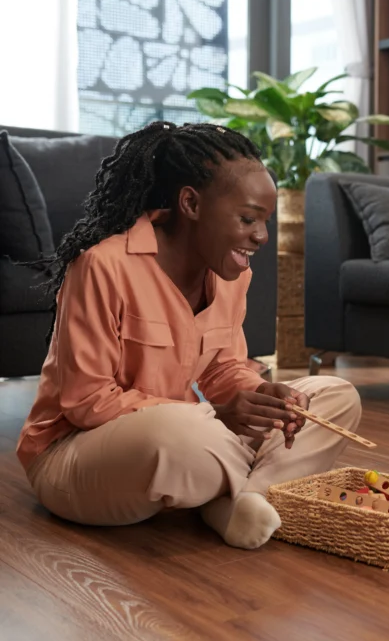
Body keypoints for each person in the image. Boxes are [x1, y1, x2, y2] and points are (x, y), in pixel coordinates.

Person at [17, 121, 361, 550]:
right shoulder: (101, 266)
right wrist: (213, 414)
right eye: (248, 218)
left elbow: (224, 368)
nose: (262, 236)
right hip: (77, 453)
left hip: (192, 434)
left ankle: (240, 500)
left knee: (335, 395)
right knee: (178, 437)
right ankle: (244, 489)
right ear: (191, 203)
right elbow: (87, 401)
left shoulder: (233, 274)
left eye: (265, 221)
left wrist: (262, 396)